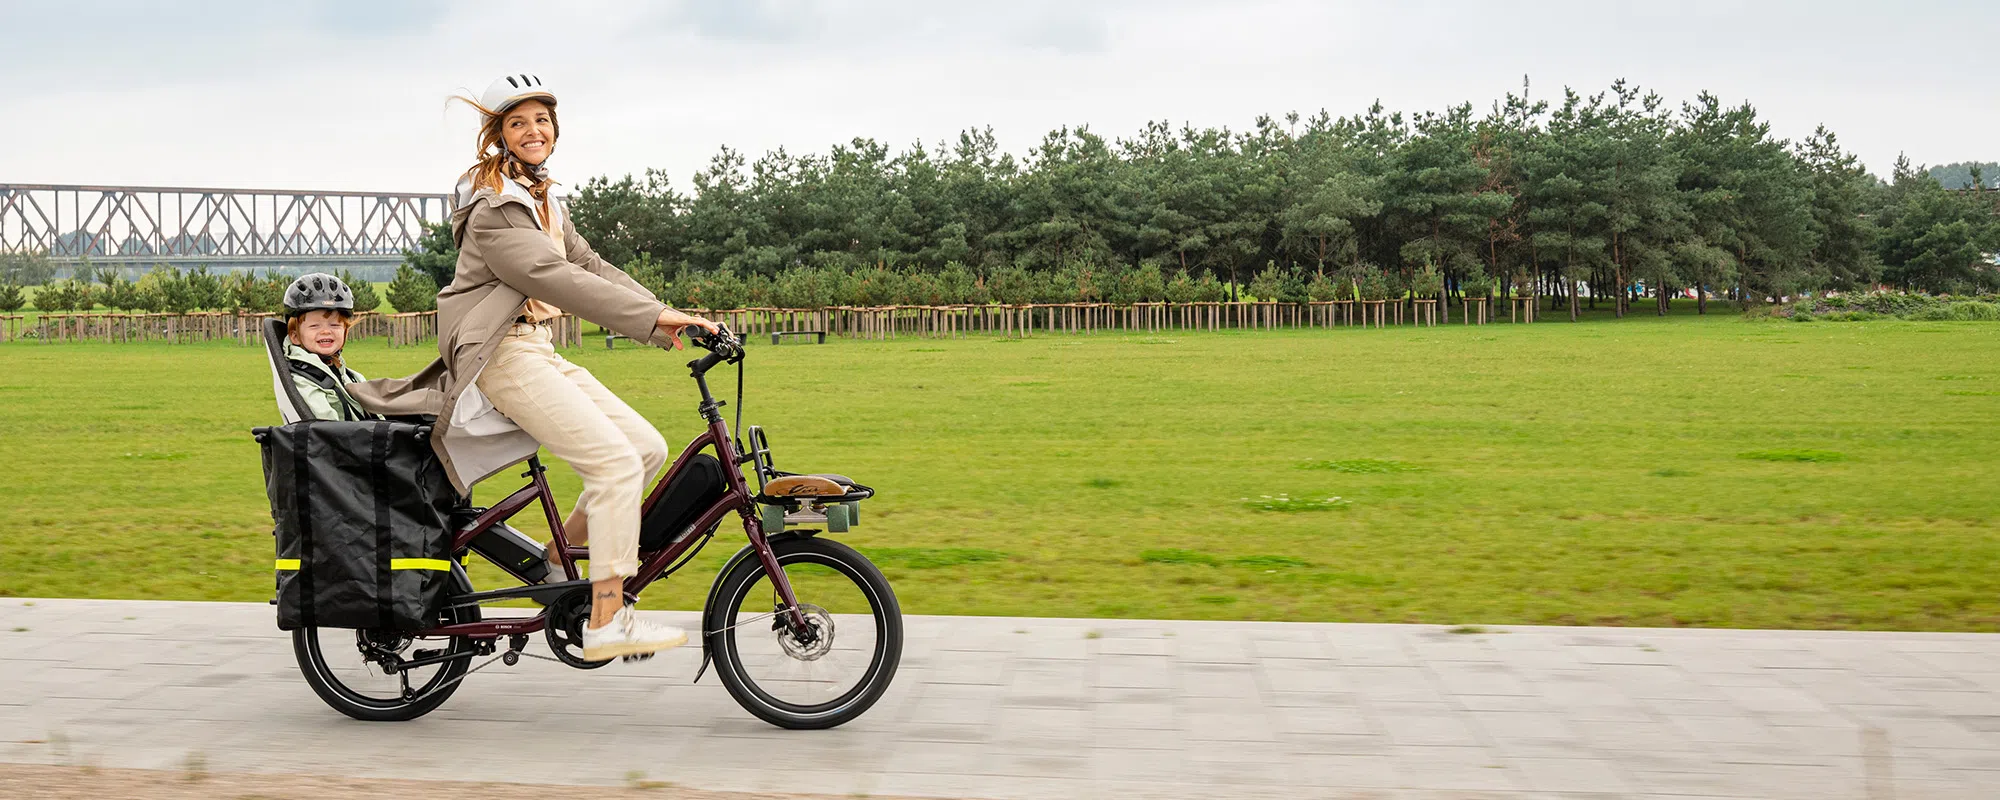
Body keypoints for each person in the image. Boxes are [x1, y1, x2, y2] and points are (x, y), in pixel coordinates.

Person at [352, 73, 718, 661]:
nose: (533, 131)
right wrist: (650, 321)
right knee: (613, 463)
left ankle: (553, 564)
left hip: (535, 347)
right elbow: (553, 278)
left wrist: (665, 313)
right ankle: (606, 617)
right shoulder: (493, 205)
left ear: (555, 129)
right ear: (497, 135)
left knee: (645, 447)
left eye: (542, 120)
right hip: (499, 354)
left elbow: (590, 265)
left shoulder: (543, 199)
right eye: (517, 122)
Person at [282, 273, 372, 422]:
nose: (325, 331)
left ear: (345, 331)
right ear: (295, 337)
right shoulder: (305, 382)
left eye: (335, 325)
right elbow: (329, 430)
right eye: (314, 326)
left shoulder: (351, 377)